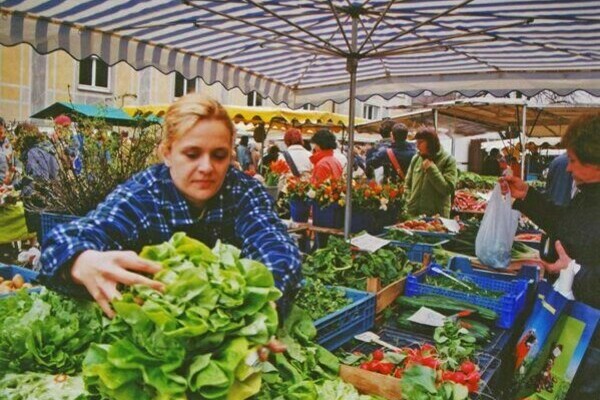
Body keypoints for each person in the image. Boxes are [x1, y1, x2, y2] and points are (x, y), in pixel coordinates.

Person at [39, 94, 302, 318]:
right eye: (192, 154)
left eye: (219, 155)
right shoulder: (145, 195)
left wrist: (264, 307)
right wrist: (81, 260)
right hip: (153, 330)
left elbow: (274, 245)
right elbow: (63, 242)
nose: (207, 167)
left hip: (225, 324)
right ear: (167, 153)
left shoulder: (243, 191)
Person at [501, 113, 600, 400]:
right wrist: (527, 197)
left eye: (573, 160)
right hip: (576, 322)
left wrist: (574, 271)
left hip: (594, 339)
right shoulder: (589, 193)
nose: (568, 169)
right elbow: (569, 226)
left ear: (595, 161)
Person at [404, 127, 457, 218]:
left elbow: (447, 189)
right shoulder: (416, 159)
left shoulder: (448, 160)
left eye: (420, 142)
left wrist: (431, 169)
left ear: (431, 143)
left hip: (436, 217)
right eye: (416, 142)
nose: (417, 146)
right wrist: (409, 201)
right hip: (413, 215)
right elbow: (407, 184)